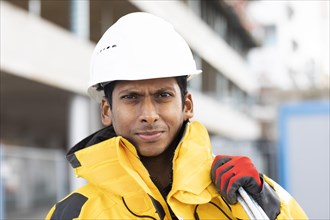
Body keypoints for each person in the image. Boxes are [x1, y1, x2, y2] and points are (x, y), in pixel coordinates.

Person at [46, 12, 307, 220]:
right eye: (131, 97)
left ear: (187, 105)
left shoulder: (246, 196)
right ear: (106, 110)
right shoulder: (74, 214)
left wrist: (267, 206)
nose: (149, 115)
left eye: (163, 96)